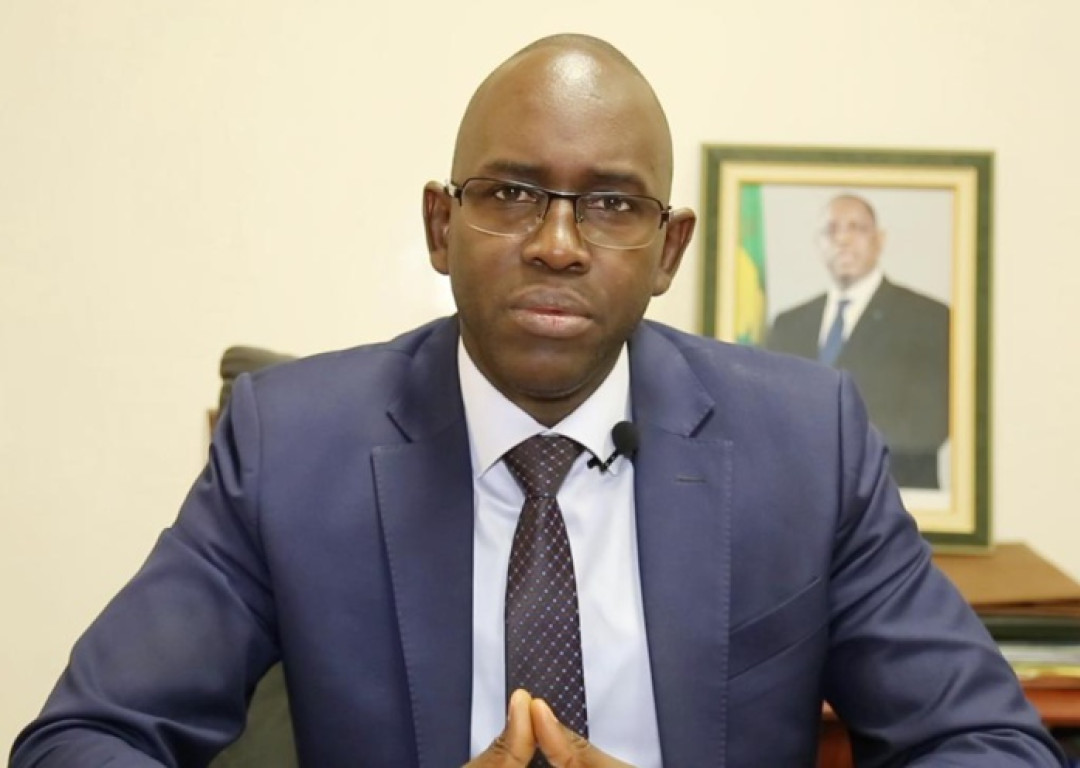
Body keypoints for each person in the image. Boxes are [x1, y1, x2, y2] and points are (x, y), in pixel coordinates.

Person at [9, 34, 1065, 768]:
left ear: (669, 249)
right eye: (511, 194)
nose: (557, 244)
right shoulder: (288, 446)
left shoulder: (806, 444)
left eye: (611, 204)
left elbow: (989, 745)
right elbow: (84, 742)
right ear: (441, 226)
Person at [765, 193, 950, 489]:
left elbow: (930, 424)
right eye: (831, 230)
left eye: (857, 228)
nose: (843, 239)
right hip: (803, 495)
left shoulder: (930, 318)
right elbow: (770, 416)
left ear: (880, 239)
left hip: (895, 494)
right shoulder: (789, 324)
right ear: (817, 243)